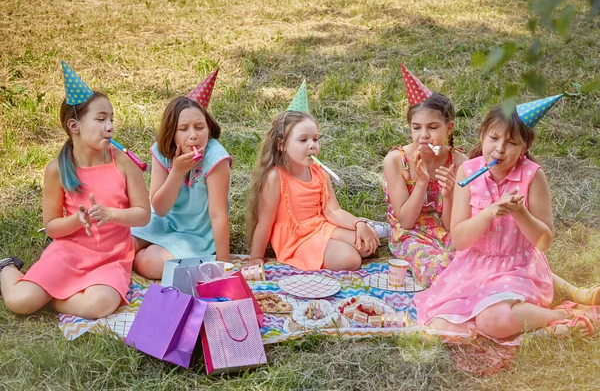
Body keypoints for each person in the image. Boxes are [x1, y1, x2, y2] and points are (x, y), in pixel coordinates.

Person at [415, 95, 599, 338]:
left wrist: (520, 213)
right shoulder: (467, 172)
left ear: (524, 147)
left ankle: (565, 315)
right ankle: (532, 325)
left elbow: (544, 242)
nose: (499, 148)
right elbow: (459, 240)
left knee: (493, 320)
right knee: (439, 329)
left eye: (511, 143)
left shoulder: (533, 176)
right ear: (482, 136)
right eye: (493, 138)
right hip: (474, 269)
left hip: (518, 268)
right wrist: (489, 213)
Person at [0, 61, 150, 319]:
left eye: (111, 119)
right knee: (19, 301)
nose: (110, 126)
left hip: (111, 258)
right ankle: (6, 267)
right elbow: (52, 227)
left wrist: (112, 214)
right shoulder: (57, 169)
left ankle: (50, 298)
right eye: (101, 119)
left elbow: (143, 214)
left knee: (98, 305)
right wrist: (77, 220)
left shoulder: (124, 162)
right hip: (70, 253)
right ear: (74, 126)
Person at [247, 81, 381, 271]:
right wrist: (256, 257)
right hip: (295, 239)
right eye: (303, 140)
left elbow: (333, 211)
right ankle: (335, 250)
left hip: (320, 227)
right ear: (281, 145)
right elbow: (265, 221)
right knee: (350, 259)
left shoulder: (319, 172)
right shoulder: (276, 177)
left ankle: (372, 230)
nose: (312, 145)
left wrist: (359, 223)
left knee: (367, 244)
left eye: (315, 139)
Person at [132, 68, 232, 279]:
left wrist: (224, 264)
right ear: (171, 133)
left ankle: (160, 254)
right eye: (184, 129)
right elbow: (159, 208)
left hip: (196, 234)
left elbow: (218, 214)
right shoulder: (161, 150)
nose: (193, 135)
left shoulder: (216, 158)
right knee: (124, 247)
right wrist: (176, 172)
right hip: (162, 221)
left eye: (199, 127)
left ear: (209, 128)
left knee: (147, 263)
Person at [382, 64, 468, 288]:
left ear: (449, 129)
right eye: (416, 127)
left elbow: (452, 226)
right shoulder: (396, 161)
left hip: (446, 229)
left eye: (432, 127)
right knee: (438, 270)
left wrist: (448, 195)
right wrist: (421, 182)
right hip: (411, 234)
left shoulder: (460, 164)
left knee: (472, 259)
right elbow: (406, 221)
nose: (424, 135)